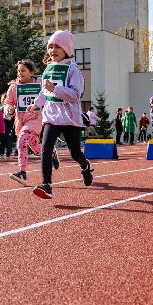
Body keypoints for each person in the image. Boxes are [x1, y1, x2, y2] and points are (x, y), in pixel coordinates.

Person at [28, 30, 94, 199]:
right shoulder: (48, 68)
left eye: (58, 46)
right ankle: (46, 184)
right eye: (50, 46)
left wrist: (55, 89)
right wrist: (36, 104)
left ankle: (85, 166)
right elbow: (44, 92)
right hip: (51, 117)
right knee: (46, 148)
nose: (53, 50)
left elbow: (75, 95)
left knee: (75, 153)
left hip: (70, 118)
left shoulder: (73, 69)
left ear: (66, 49)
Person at [6, 59, 47, 186]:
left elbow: (48, 95)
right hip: (21, 121)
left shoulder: (40, 83)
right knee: (35, 147)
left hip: (36, 119)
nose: (20, 73)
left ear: (31, 72)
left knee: (22, 140)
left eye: (23, 71)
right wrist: (10, 109)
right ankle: (50, 154)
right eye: (18, 71)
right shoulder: (14, 87)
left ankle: (22, 172)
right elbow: (8, 102)